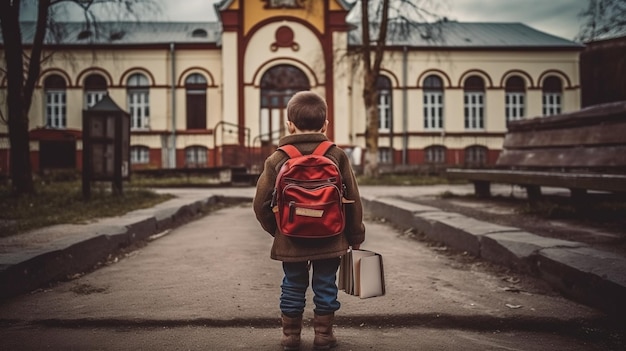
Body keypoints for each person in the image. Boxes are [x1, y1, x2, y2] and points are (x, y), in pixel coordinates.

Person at [253, 91, 365, 350]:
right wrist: (356, 235)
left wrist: (279, 229)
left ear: (288, 125)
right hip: (331, 237)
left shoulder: (279, 158)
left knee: (292, 284)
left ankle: (290, 336)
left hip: (291, 238)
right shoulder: (336, 155)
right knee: (326, 285)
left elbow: (260, 204)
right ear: (325, 125)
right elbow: (354, 199)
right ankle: (324, 335)